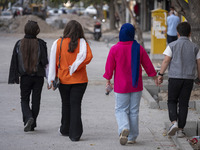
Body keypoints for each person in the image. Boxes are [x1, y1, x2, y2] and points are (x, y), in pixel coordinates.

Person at [103, 23, 158, 145]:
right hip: (136, 85)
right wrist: (154, 77)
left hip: (121, 86)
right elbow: (147, 64)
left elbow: (109, 67)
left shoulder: (114, 49)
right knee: (134, 111)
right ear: (132, 34)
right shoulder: (138, 48)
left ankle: (124, 128)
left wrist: (108, 80)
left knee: (121, 109)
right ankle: (132, 137)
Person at [48, 20, 93, 142]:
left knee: (66, 104)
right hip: (80, 80)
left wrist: (51, 79)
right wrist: (75, 66)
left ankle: (65, 129)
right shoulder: (83, 43)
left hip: (63, 80)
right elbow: (88, 57)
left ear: (66, 30)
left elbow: (52, 62)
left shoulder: (58, 43)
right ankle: (75, 134)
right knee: (76, 105)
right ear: (80, 31)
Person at [158, 22, 200, 138]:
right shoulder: (195, 47)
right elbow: (199, 63)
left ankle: (174, 122)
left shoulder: (172, 45)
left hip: (174, 78)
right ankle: (180, 130)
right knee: (183, 104)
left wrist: (160, 74)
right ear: (190, 33)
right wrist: (199, 78)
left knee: (172, 100)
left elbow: (166, 61)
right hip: (188, 79)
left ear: (177, 33)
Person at [8, 20, 49, 132]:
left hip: (25, 77)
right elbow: (45, 62)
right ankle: (32, 123)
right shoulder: (41, 43)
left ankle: (28, 118)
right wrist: (50, 77)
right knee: (36, 100)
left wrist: (15, 76)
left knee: (24, 99)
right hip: (38, 77)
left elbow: (14, 62)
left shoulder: (19, 43)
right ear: (37, 31)